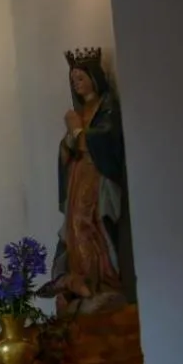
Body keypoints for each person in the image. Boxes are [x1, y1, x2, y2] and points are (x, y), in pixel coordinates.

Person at [38, 47, 133, 316]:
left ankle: (103, 281)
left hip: (97, 175)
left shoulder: (106, 107)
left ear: (94, 77)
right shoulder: (81, 110)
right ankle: (82, 281)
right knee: (73, 227)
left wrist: (78, 130)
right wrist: (70, 138)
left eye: (80, 77)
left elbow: (107, 139)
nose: (76, 83)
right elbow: (67, 149)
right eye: (73, 80)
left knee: (89, 225)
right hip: (79, 175)